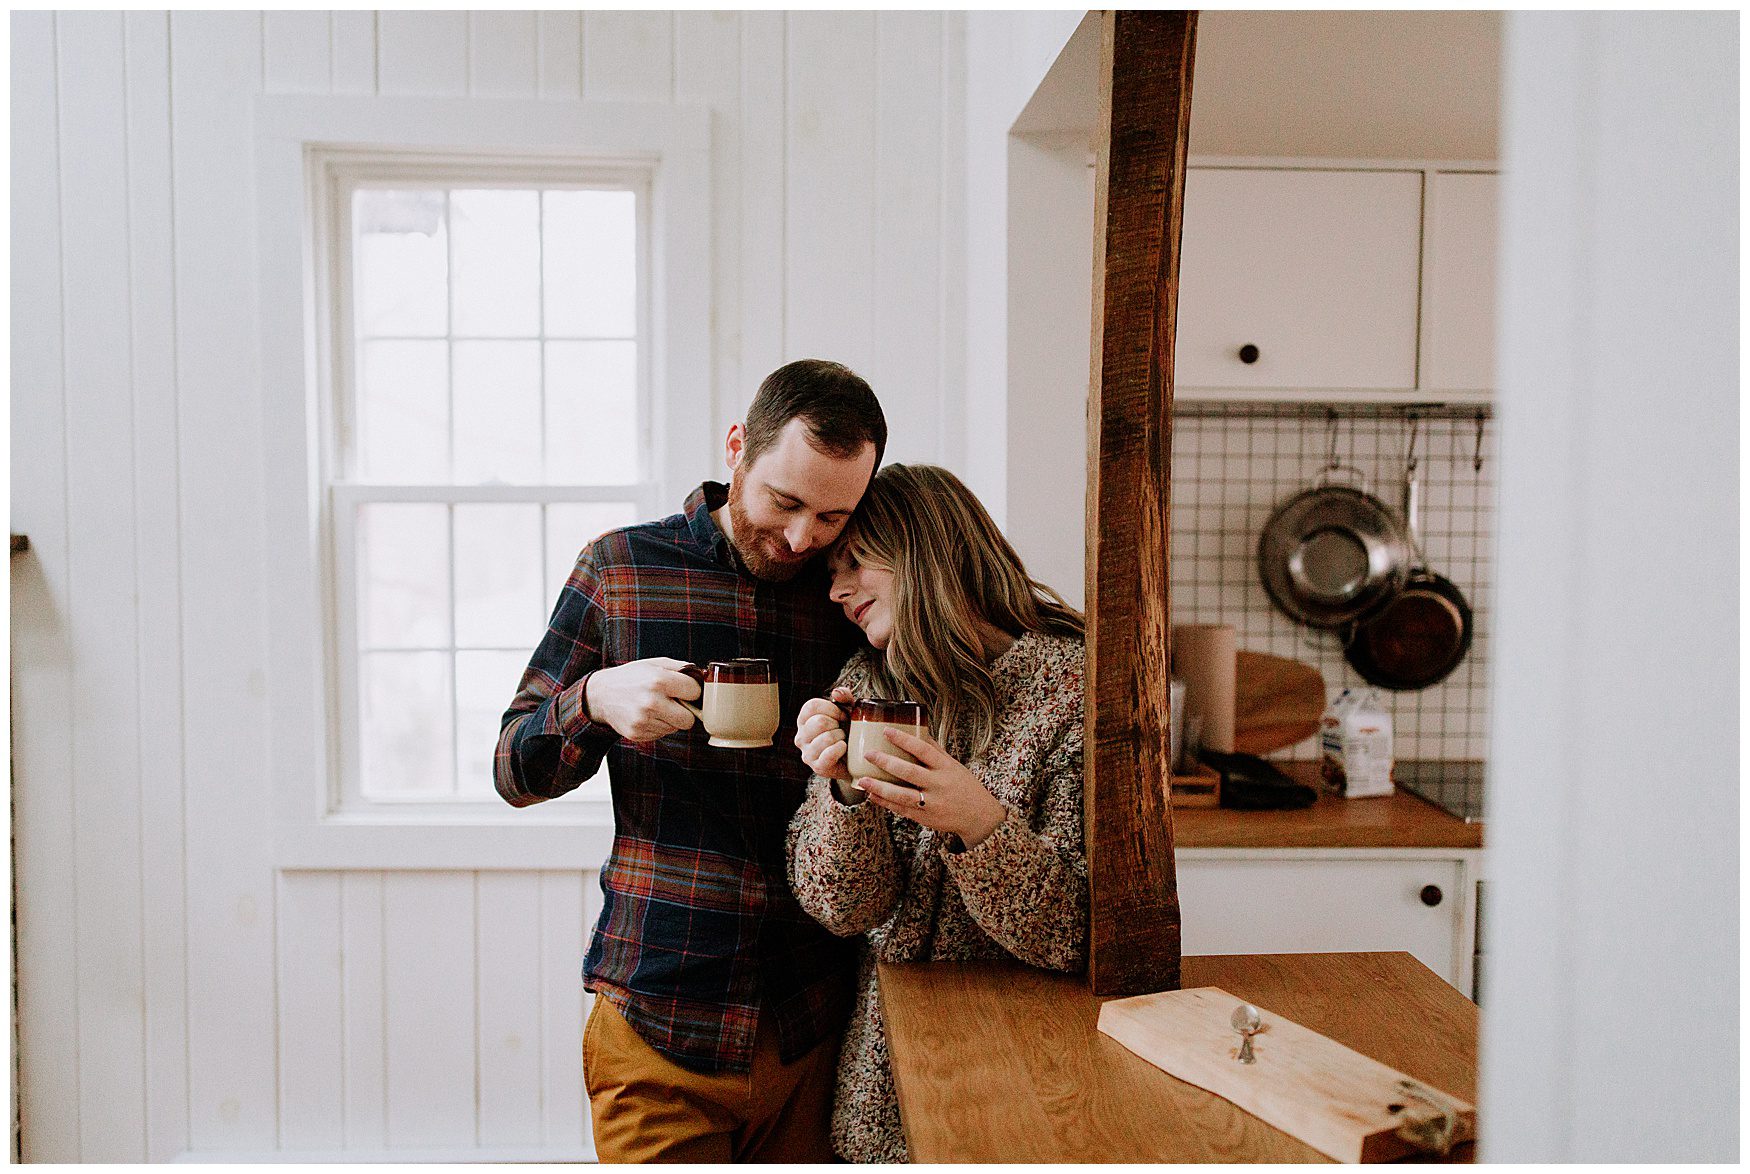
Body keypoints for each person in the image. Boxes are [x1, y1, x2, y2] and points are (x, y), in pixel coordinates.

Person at [495, 359, 887, 1163]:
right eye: (784, 501)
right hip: (657, 1020)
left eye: (832, 516)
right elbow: (512, 769)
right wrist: (594, 701)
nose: (800, 538)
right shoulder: (620, 568)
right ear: (738, 445)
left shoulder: (849, 592)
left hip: (814, 1025)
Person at [785, 463, 1089, 1163]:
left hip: (1029, 1075)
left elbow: (1077, 936)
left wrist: (980, 823)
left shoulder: (1074, 690)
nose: (836, 590)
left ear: (926, 549)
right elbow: (844, 909)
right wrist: (844, 794)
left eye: (856, 561)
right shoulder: (866, 686)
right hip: (885, 1081)